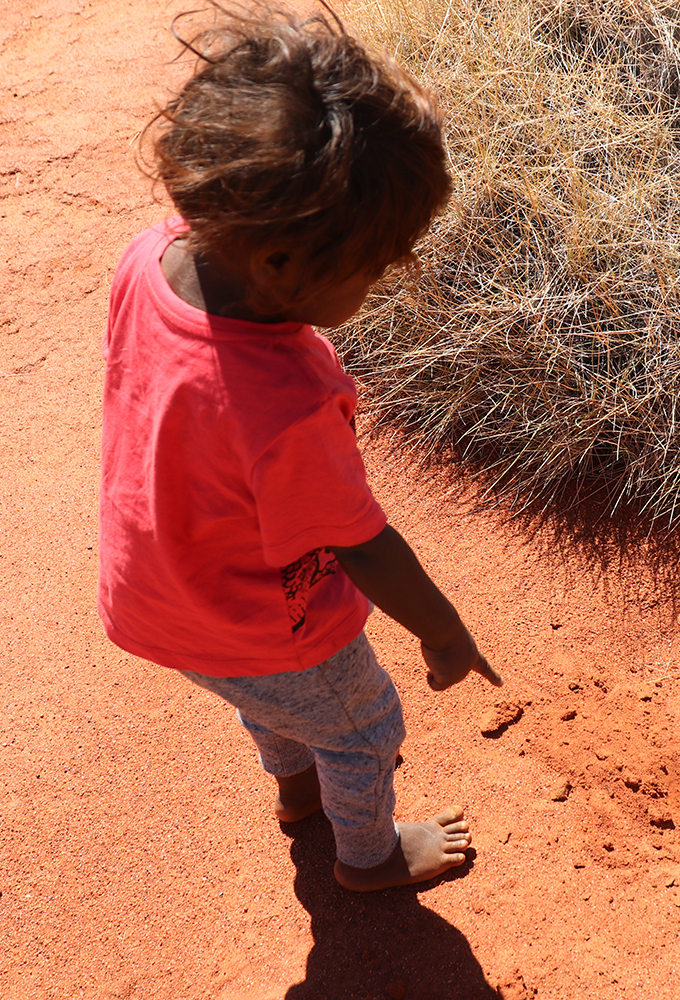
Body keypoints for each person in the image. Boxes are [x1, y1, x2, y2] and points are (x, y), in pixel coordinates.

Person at [97, 2, 502, 892]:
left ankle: (294, 790)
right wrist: (443, 633)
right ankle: (368, 855)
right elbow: (361, 543)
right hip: (264, 623)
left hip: (163, 594)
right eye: (379, 259)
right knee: (362, 727)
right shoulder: (290, 406)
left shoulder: (149, 255)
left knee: (271, 704)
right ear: (281, 265)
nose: (389, 274)